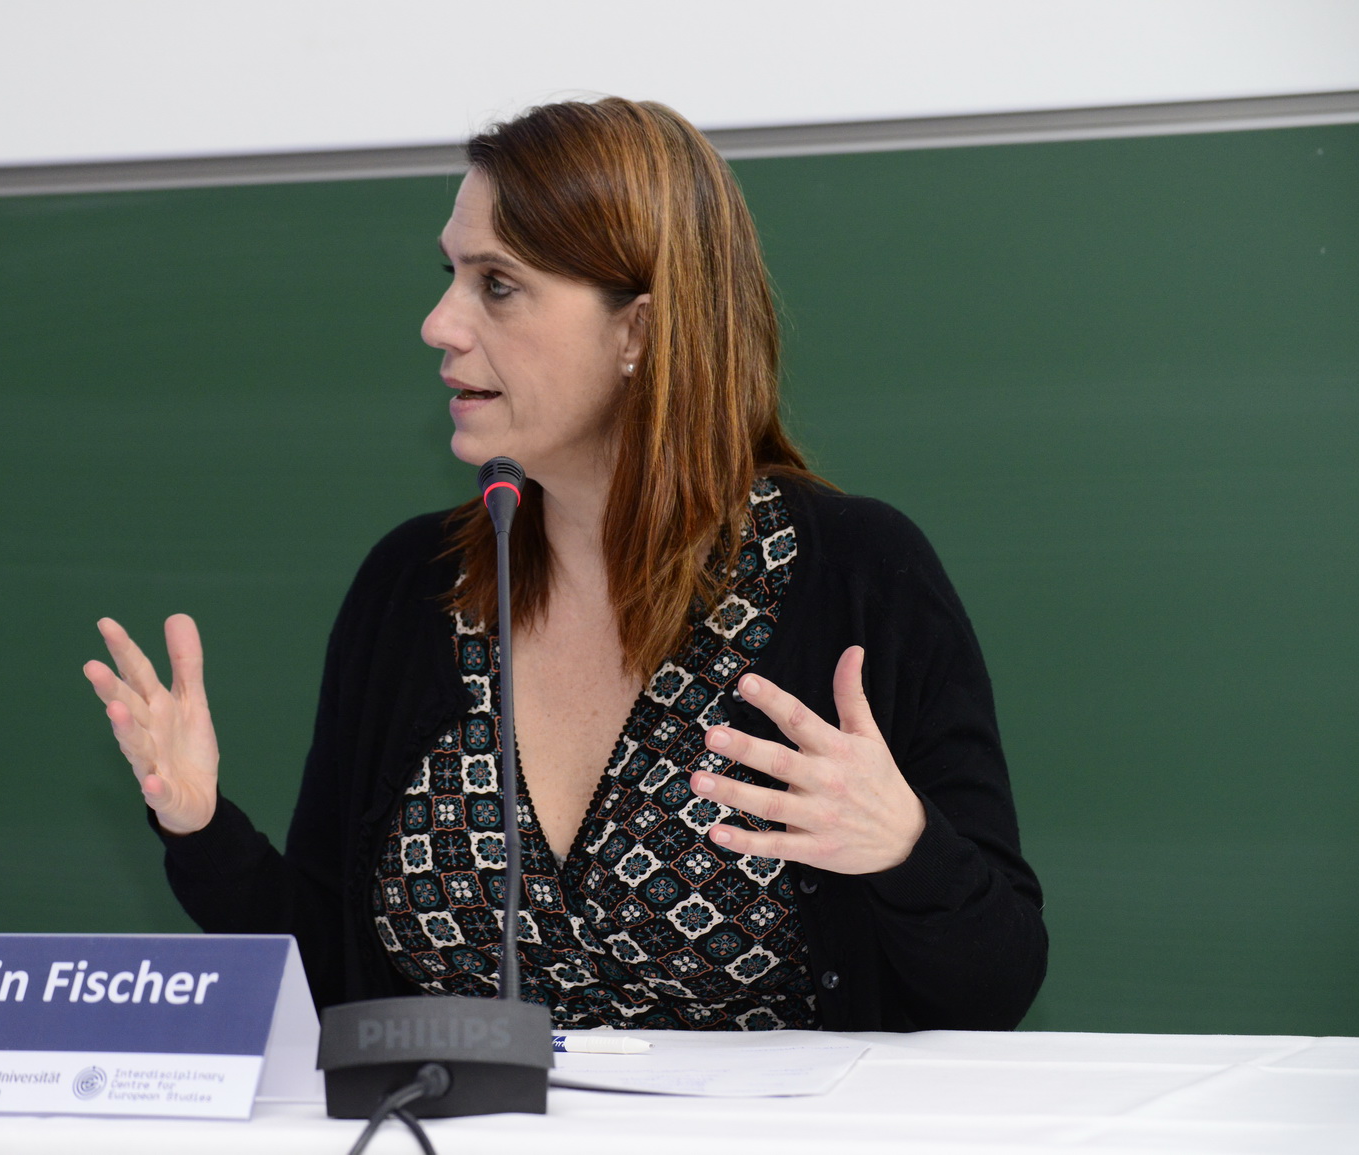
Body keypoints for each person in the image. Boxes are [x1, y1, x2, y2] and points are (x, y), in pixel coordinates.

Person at [83, 97, 1046, 1032]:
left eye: (496, 285)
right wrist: (200, 829)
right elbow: (340, 986)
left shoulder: (855, 574)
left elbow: (993, 987)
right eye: (452, 274)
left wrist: (903, 847)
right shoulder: (414, 586)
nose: (439, 323)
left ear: (636, 331)